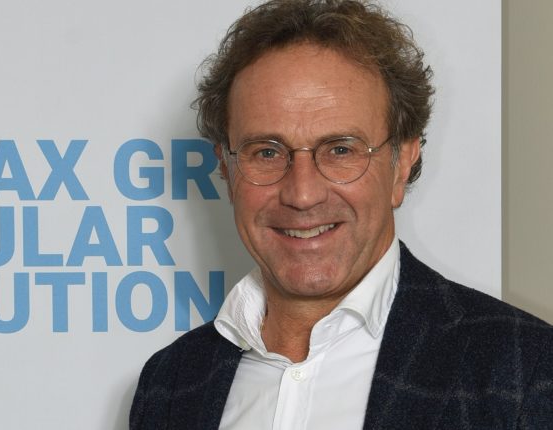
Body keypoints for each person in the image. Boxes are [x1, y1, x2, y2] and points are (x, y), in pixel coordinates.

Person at [129, 0, 553, 428]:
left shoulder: (527, 372)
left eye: (340, 150)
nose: (303, 194)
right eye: (267, 152)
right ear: (226, 167)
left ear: (402, 163)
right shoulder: (170, 382)